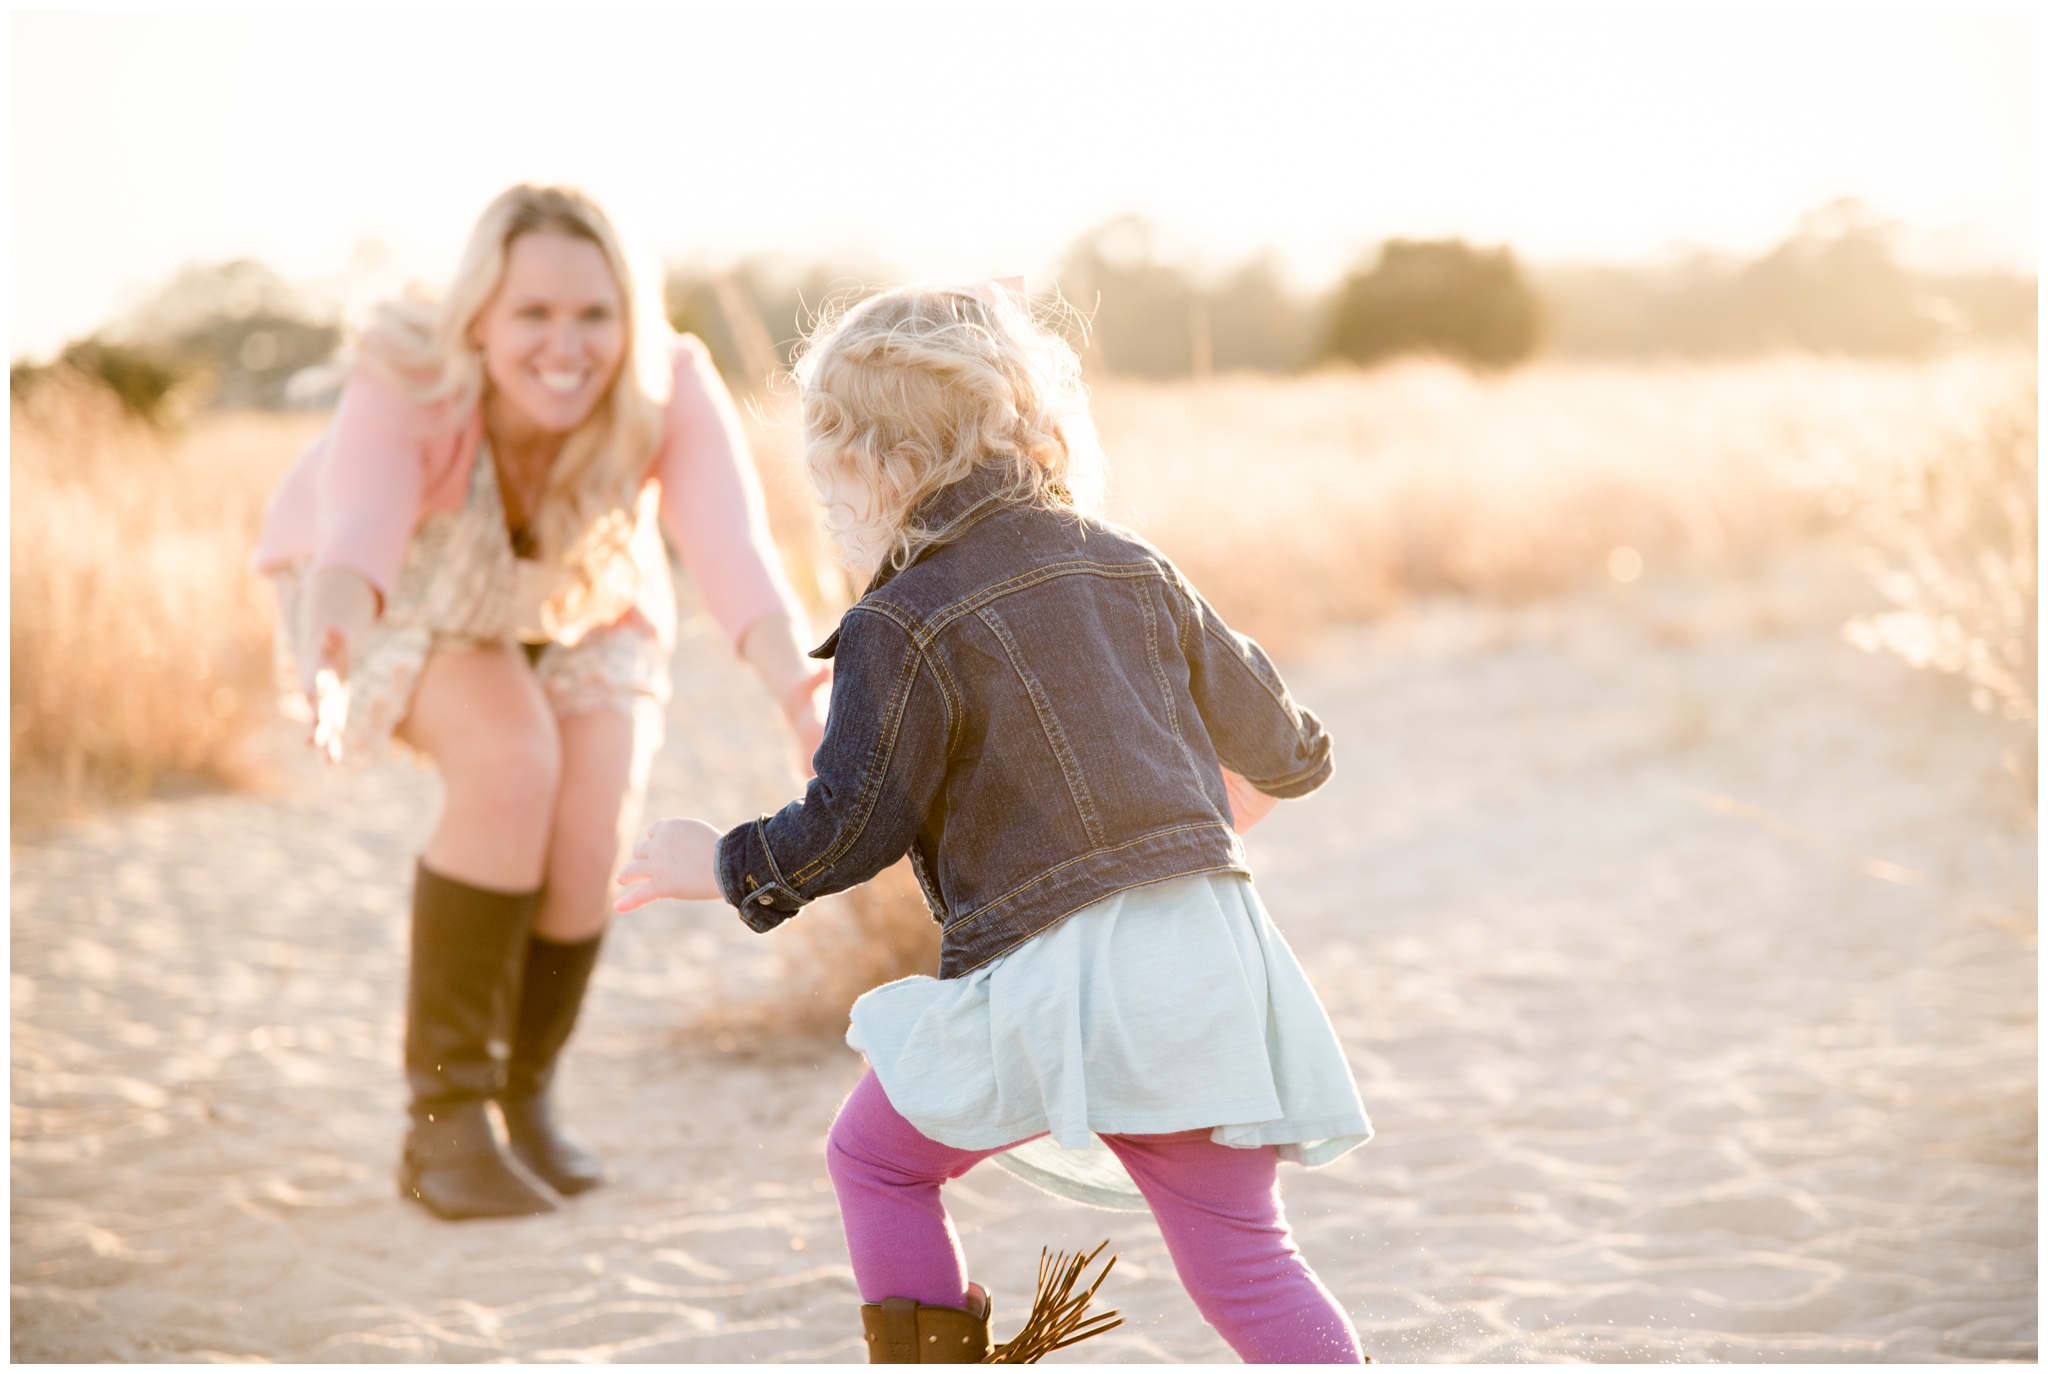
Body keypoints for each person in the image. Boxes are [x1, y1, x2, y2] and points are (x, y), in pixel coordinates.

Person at [614, 283, 1373, 1362]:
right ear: (1029, 418)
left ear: (862, 467)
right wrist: (1198, 825)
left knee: (876, 1160)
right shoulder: (1131, 563)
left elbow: (850, 824)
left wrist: (722, 863)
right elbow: (1286, 748)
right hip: (1205, 963)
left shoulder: (899, 617)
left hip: (1055, 979)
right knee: (1251, 1266)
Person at [253, 185, 828, 1221]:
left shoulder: (668, 384)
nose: (566, 346)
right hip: (399, 587)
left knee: (588, 832)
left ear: (629, 317)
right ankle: (446, 1124)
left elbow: (731, 551)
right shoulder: (410, 376)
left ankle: (523, 1097)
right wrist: (330, 651)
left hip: (576, 591)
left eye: (593, 316)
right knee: (512, 759)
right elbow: (362, 534)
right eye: (533, 315)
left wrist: (800, 693)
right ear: (480, 315)